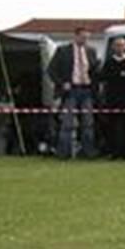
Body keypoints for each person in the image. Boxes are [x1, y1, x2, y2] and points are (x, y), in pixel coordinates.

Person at [47, 26, 100, 159]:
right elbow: (51, 70)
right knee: (67, 123)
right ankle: (63, 153)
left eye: (87, 37)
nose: (85, 40)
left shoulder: (91, 51)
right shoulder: (63, 51)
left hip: (86, 90)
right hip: (70, 90)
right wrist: (61, 83)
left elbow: (94, 71)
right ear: (75, 36)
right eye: (83, 37)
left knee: (88, 123)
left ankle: (88, 152)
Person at [100, 37, 125, 160]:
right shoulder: (109, 62)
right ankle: (113, 152)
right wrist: (120, 75)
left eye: (122, 45)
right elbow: (105, 77)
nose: (119, 47)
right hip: (112, 99)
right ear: (113, 48)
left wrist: (119, 76)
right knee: (112, 126)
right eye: (117, 45)